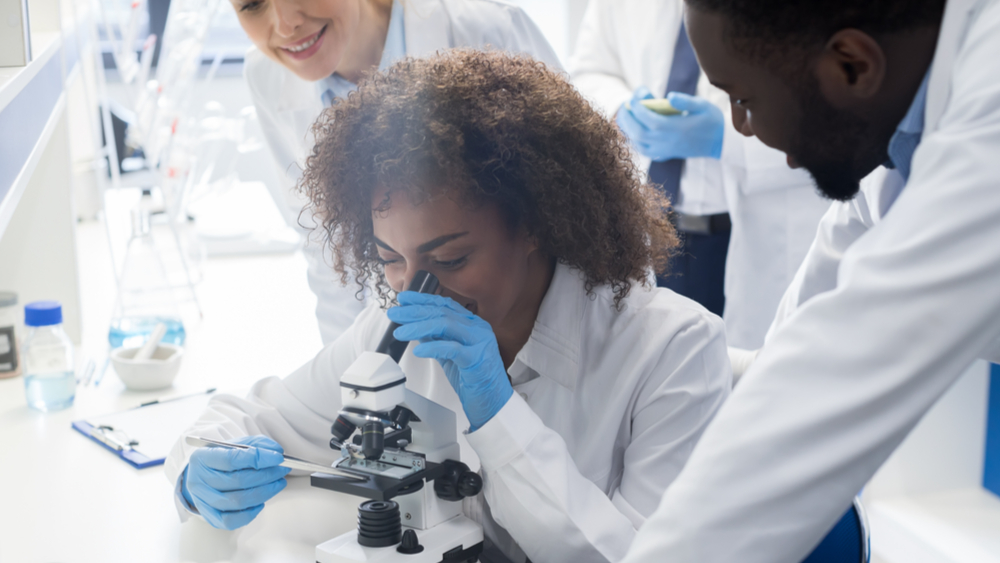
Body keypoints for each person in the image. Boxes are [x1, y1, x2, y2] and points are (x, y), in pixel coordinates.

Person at [166, 50, 732, 563]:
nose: (415, 292)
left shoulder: (675, 351)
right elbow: (242, 418)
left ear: (536, 223)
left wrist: (498, 413)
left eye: (452, 258)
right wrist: (197, 475)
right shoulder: (391, 334)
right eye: (389, 258)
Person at [622, 0, 1000, 561]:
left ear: (852, 65)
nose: (740, 126)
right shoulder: (897, 149)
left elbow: (816, 397)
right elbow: (799, 345)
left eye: (743, 99)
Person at [233, 0, 561, 344]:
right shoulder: (267, 76)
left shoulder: (486, 29)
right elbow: (326, 251)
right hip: (407, 343)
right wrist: (352, 373)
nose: (285, 25)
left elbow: (574, 202)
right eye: (252, 4)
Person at [569, 0, 831, 350]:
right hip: (649, 229)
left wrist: (727, 138)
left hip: (751, 235)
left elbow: (834, 115)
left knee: (746, 373)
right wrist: (620, 111)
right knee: (654, 368)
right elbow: (590, 69)